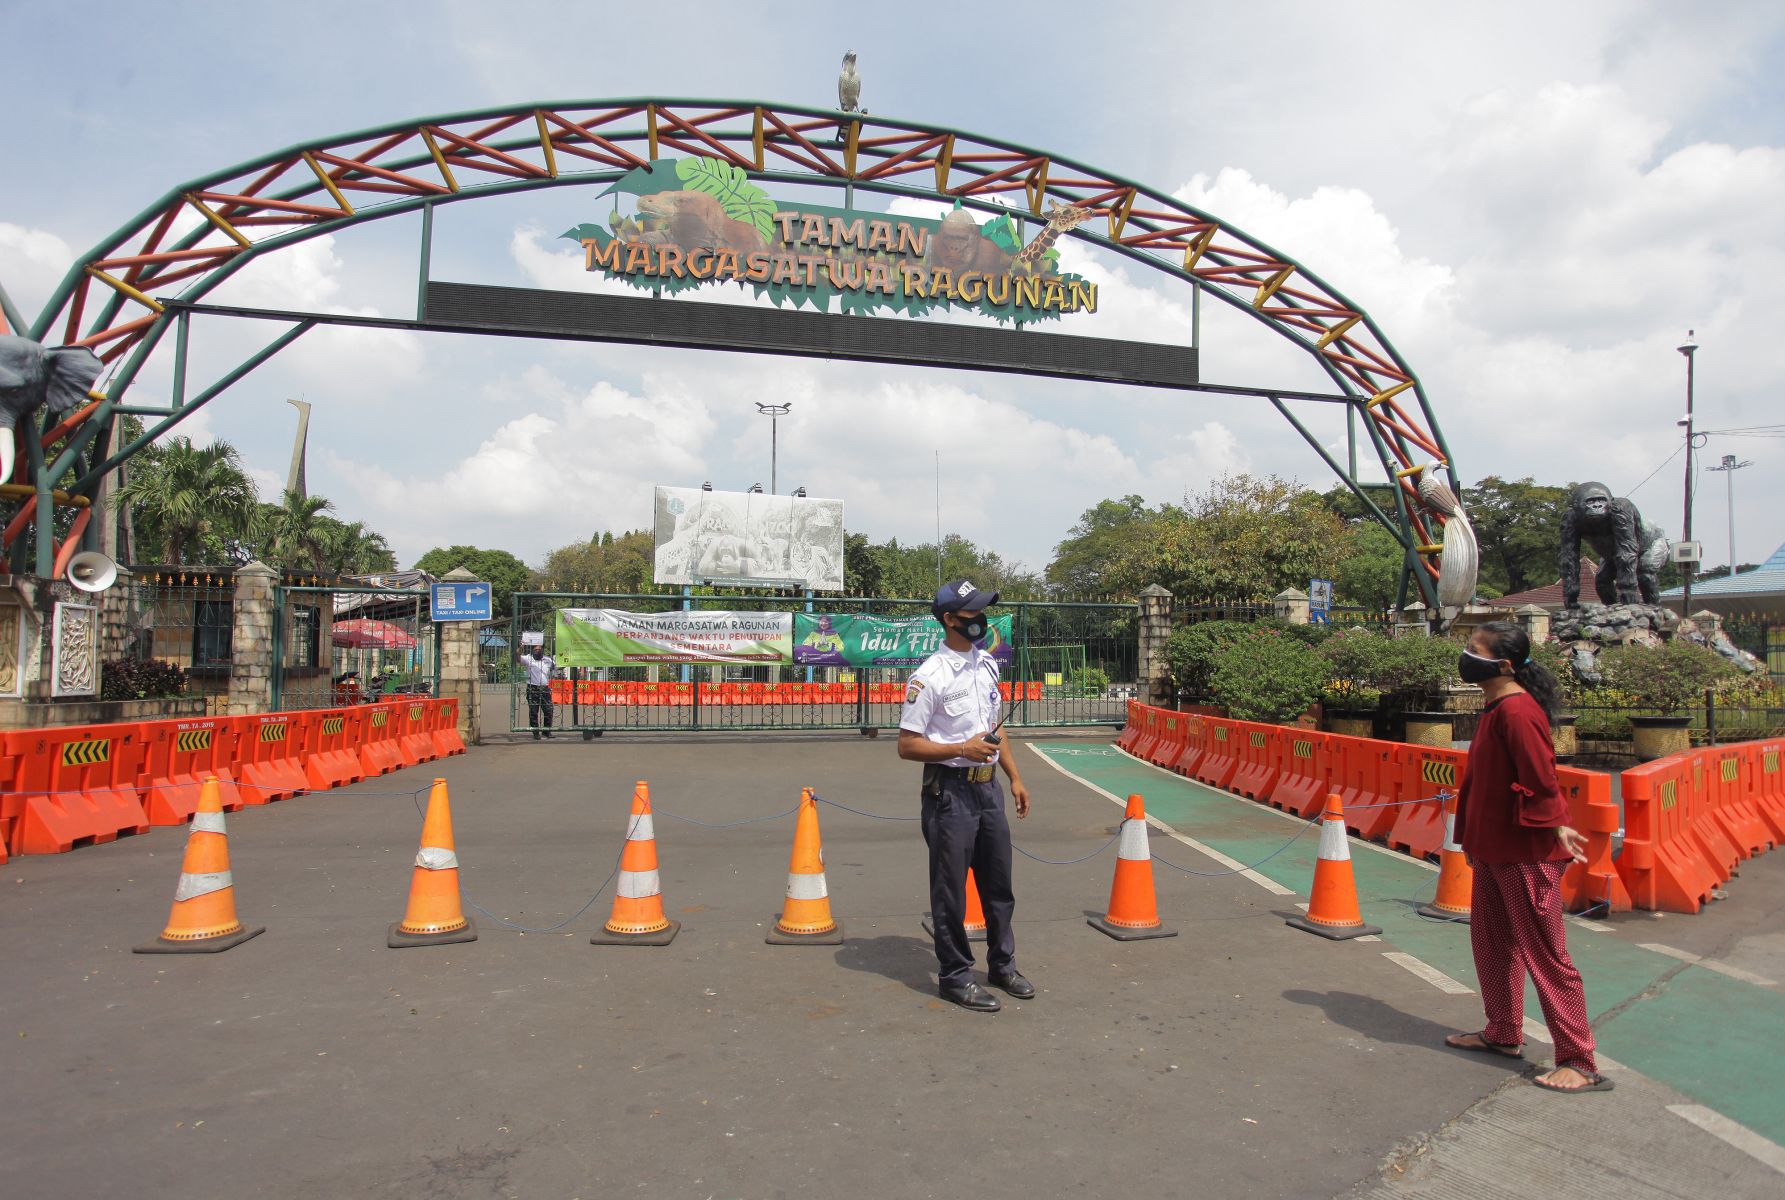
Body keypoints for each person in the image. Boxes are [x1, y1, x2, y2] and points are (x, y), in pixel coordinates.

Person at [1445, 620, 1610, 1093]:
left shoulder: (1517, 712)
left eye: (1473, 648)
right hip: (1495, 850)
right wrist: (1475, 844)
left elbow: (1541, 777)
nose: (1465, 654)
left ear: (1501, 664)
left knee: (1546, 955)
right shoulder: (1496, 708)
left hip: (1525, 853)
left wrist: (1555, 822)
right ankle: (1502, 1032)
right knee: (1493, 944)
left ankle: (1579, 1059)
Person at [897, 579, 1032, 1012]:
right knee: (951, 891)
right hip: (949, 794)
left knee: (999, 886)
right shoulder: (929, 677)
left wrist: (1014, 777)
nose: (981, 620)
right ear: (950, 619)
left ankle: (1002, 965)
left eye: (983, 611)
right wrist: (960, 748)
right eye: (972, 613)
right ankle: (955, 976)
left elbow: (995, 728)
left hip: (988, 790)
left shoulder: (986, 666)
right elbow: (907, 744)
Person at [521, 644, 557, 740]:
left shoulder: (548, 660)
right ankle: (536, 732)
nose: (538, 651)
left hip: (544, 688)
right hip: (533, 688)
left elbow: (557, 666)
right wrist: (519, 649)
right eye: (536, 649)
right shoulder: (528, 658)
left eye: (539, 649)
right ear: (532, 650)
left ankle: (546, 731)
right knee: (533, 711)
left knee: (548, 710)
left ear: (543, 650)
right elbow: (517, 658)